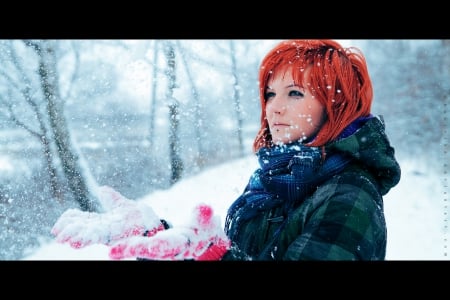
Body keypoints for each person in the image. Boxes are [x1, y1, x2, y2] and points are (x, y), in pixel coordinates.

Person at [51, 39, 401, 261]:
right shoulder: (274, 179)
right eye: (269, 93)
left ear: (336, 106)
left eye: (295, 93)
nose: (273, 108)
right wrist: (162, 237)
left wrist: (212, 253)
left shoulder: (349, 195)